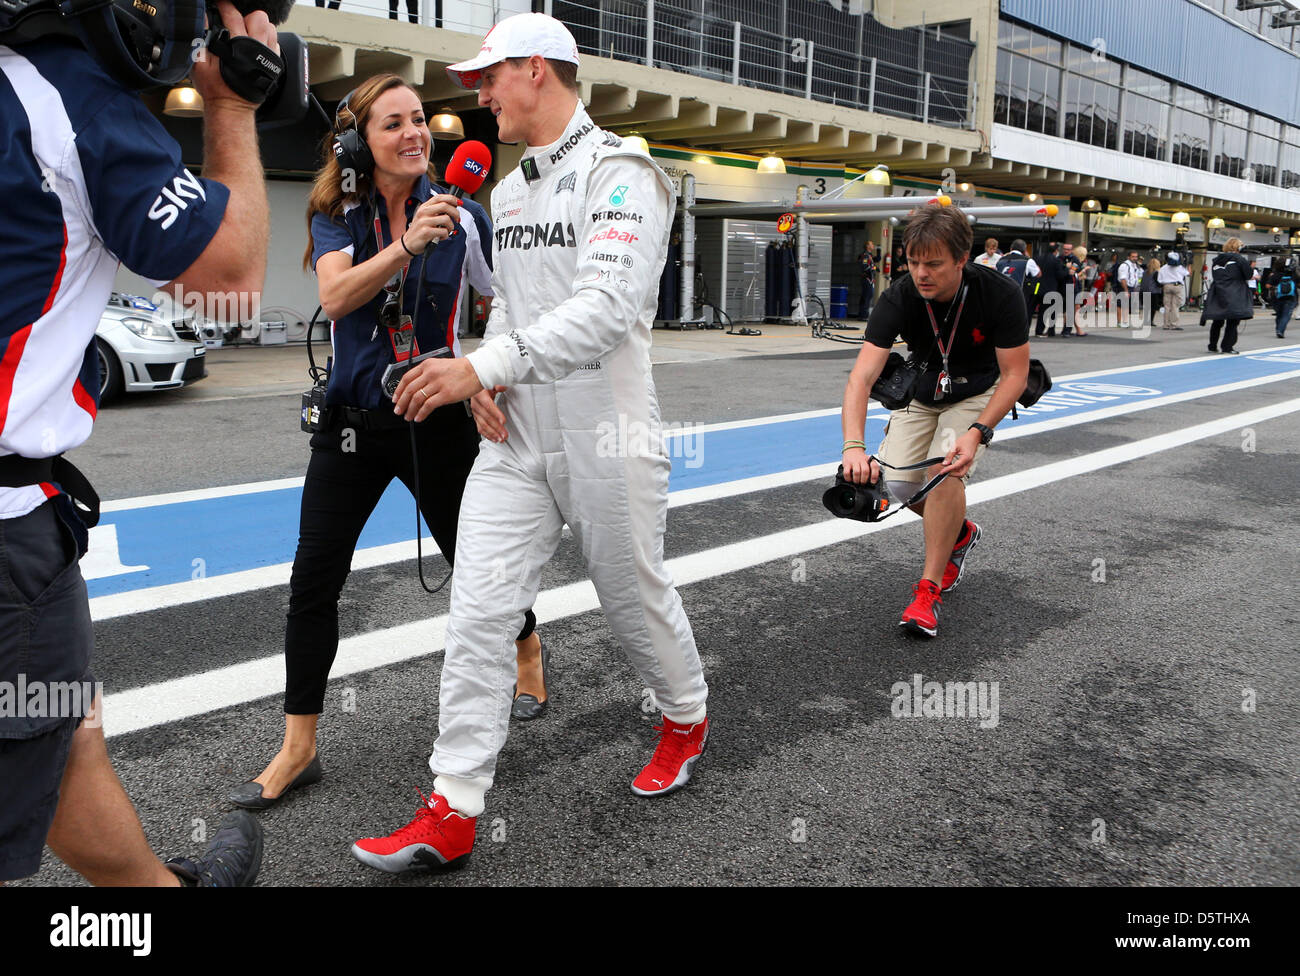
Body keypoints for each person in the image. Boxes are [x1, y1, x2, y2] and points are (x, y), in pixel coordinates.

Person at [350, 12, 710, 872]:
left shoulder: (622, 172)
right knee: (478, 613)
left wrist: (480, 368)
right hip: (514, 438)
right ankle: (452, 806)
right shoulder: (507, 193)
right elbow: (511, 303)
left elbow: (605, 311)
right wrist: (497, 375)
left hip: (605, 428)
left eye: (490, 75)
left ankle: (686, 713)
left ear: (540, 72)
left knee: (631, 601)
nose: (476, 92)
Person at [0, 0, 274, 886]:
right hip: (7, 531)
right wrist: (232, 106)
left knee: (57, 724)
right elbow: (228, 281)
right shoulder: (68, 100)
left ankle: (152, 893)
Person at [228, 73, 550, 812]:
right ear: (357, 143)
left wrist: (487, 376)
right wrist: (406, 245)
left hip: (436, 417)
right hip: (351, 422)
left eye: (419, 122)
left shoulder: (464, 216)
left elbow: (510, 301)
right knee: (313, 580)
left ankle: (526, 646)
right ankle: (298, 746)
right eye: (392, 124)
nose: (413, 135)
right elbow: (336, 297)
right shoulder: (338, 211)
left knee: (478, 559)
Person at [840, 204, 1030, 639]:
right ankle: (959, 533)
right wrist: (853, 445)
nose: (921, 273)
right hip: (922, 393)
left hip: (977, 392)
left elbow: (1016, 374)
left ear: (963, 259)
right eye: (912, 261)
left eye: (934, 263)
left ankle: (927, 592)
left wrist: (978, 430)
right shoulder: (900, 296)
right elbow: (861, 377)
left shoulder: (1001, 294)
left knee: (941, 472)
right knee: (904, 486)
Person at [1204, 238, 1254, 354]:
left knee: (1218, 320)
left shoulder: (1216, 260)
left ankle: (1212, 345)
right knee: (1233, 320)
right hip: (1234, 292)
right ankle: (1227, 346)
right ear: (1238, 247)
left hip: (1218, 291)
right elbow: (1248, 274)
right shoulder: (1239, 259)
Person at [994, 238, 1041, 320]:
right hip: (1018, 296)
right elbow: (1038, 274)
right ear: (1024, 250)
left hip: (1001, 295)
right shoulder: (1027, 261)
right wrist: (1028, 256)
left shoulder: (1000, 260)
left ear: (1011, 248)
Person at [1034, 242, 1067, 337]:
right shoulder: (1056, 261)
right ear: (1056, 251)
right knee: (1052, 311)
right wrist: (1067, 269)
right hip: (1052, 289)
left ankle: (1039, 330)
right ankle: (1051, 331)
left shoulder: (1038, 258)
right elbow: (1060, 275)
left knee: (1042, 311)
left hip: (1039, 288)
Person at [1156, 251, 1189, 330]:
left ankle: (1166, 324)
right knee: (1175, 306)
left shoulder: (1163, 268)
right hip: (1177, 286)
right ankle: (1174, 324)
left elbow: (1159, 280)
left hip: (1166, 286)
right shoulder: (1179, 267)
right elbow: (1188, 273)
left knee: (1167, 306)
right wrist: (1188, 264)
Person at [1266, 259, 1297, 338]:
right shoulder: (1293, 274)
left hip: (1276, 298)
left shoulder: (1275, 275)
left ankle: (1278, 329)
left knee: (1279, 315)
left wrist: (1275, 287)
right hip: (1290, 297)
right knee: (1286, 315)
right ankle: (1280, 330)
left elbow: (1268, 285)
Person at [1116, 250, 1143, 327]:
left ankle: (1125, 321)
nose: (1135, 258)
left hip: (1131, 287)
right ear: (1128, 257)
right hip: (1124, 287)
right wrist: (1126, 290)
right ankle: (1119, 322)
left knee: (1126, 305)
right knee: (1120, 305)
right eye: (1133, 256)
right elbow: (1123, 279)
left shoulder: (1134, 265)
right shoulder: (1124, 265)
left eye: (1136, 257)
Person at [1060, 243, 1081, 335]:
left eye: (1068, 249)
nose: (1066, 251)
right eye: (1065, 249)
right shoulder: (1059, 259)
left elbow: (1072, 272)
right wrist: (1066, 267)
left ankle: (1067, 330)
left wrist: (1066, 268)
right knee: (1064, 310)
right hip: (1060, 287)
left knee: (1070, 310)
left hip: (1071, 287)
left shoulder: (1075, 259)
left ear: (1071, 250)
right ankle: (1063, 329)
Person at [1140, 257, 1163, 332]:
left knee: (1146, 308)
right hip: (1153, 292)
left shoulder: (1145, 272)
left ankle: (1146, 321)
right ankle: (1150, 321)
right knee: (1153, 308)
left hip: (1144, 291)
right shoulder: (1156, 273)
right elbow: (1158, 283)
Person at [858, 241, 876, 320]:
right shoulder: (865, 256)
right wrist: (872, 269)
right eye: (871, 244)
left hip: (870, 279)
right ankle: (863, 316)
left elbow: (873, 266)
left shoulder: (870, 255)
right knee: (867, 296)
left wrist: (875, 268)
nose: (873, 245)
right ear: (867, 246)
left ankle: (863, 314)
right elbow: (864, 266)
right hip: (867, 279)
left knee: (868, 296)